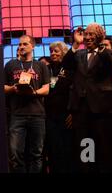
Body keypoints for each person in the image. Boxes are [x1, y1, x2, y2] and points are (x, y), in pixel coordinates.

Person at [62, 23, 112, 172]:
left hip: (103, 109)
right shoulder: (79, 54)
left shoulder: (109, 53)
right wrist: (76, 44)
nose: (87, 37)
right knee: (85, 145)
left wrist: (101, 46)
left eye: (91, 34)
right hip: (82, 109)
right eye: (86, 34)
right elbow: (66, 64)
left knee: (104, 147)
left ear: (100, 36)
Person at [4, 35, 50, 173]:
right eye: (20, 44)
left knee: (36, 154)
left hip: (37, 115)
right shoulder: (11, 65)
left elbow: (46, 89)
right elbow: (3, 87)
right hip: (17, 115)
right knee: (15, 153)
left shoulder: (40, 65)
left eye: (25, 44)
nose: (21, 47)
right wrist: (13, 88)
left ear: (33, 46)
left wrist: (33, 93)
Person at [44, 41, 73, 173]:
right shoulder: (46, 69)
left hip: (66, 114)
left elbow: (75, 90)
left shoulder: (70, 69)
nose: (53, 54)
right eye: (51, 52)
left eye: (56, 51)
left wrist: (73, 112)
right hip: (49, 115)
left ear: (64, 53)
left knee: (67, 148)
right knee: (53, 148)